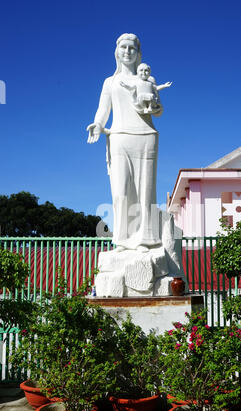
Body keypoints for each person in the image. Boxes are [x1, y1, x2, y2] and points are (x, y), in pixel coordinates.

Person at [87, 33, 165, 252]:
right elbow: (103, 110)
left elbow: (159, 110)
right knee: (120, 192)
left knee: (145, 191)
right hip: (119, 137)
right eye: (123, 47)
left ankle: (145, 240)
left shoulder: (148, 80)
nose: (128, 52)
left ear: (138, 53)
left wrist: (156, 107)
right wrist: (97, 125)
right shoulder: (110, 82)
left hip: (146, 136)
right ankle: (122, 239)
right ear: (117, 52)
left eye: (132, 48)